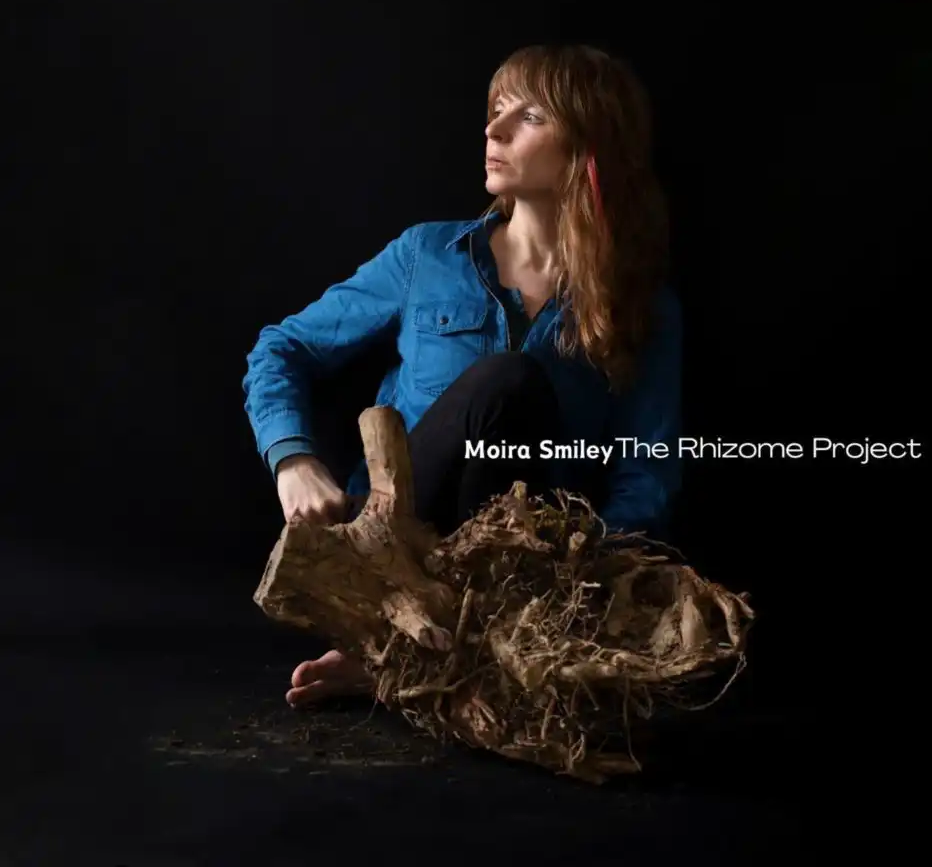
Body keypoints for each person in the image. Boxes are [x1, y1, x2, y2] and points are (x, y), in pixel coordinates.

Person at [242, 43, 683, 707]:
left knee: (519, 395)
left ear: (590, 144)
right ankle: (399, 639)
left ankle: (428, 658)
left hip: (526, 580)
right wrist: (292, 460)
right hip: (401, 546)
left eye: (527, 116)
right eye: (495, 110)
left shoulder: (642, 303)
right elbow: (281, 349)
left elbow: (647, 468)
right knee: (505, 382)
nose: (493, 130)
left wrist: (591, 577)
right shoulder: (426, 256)